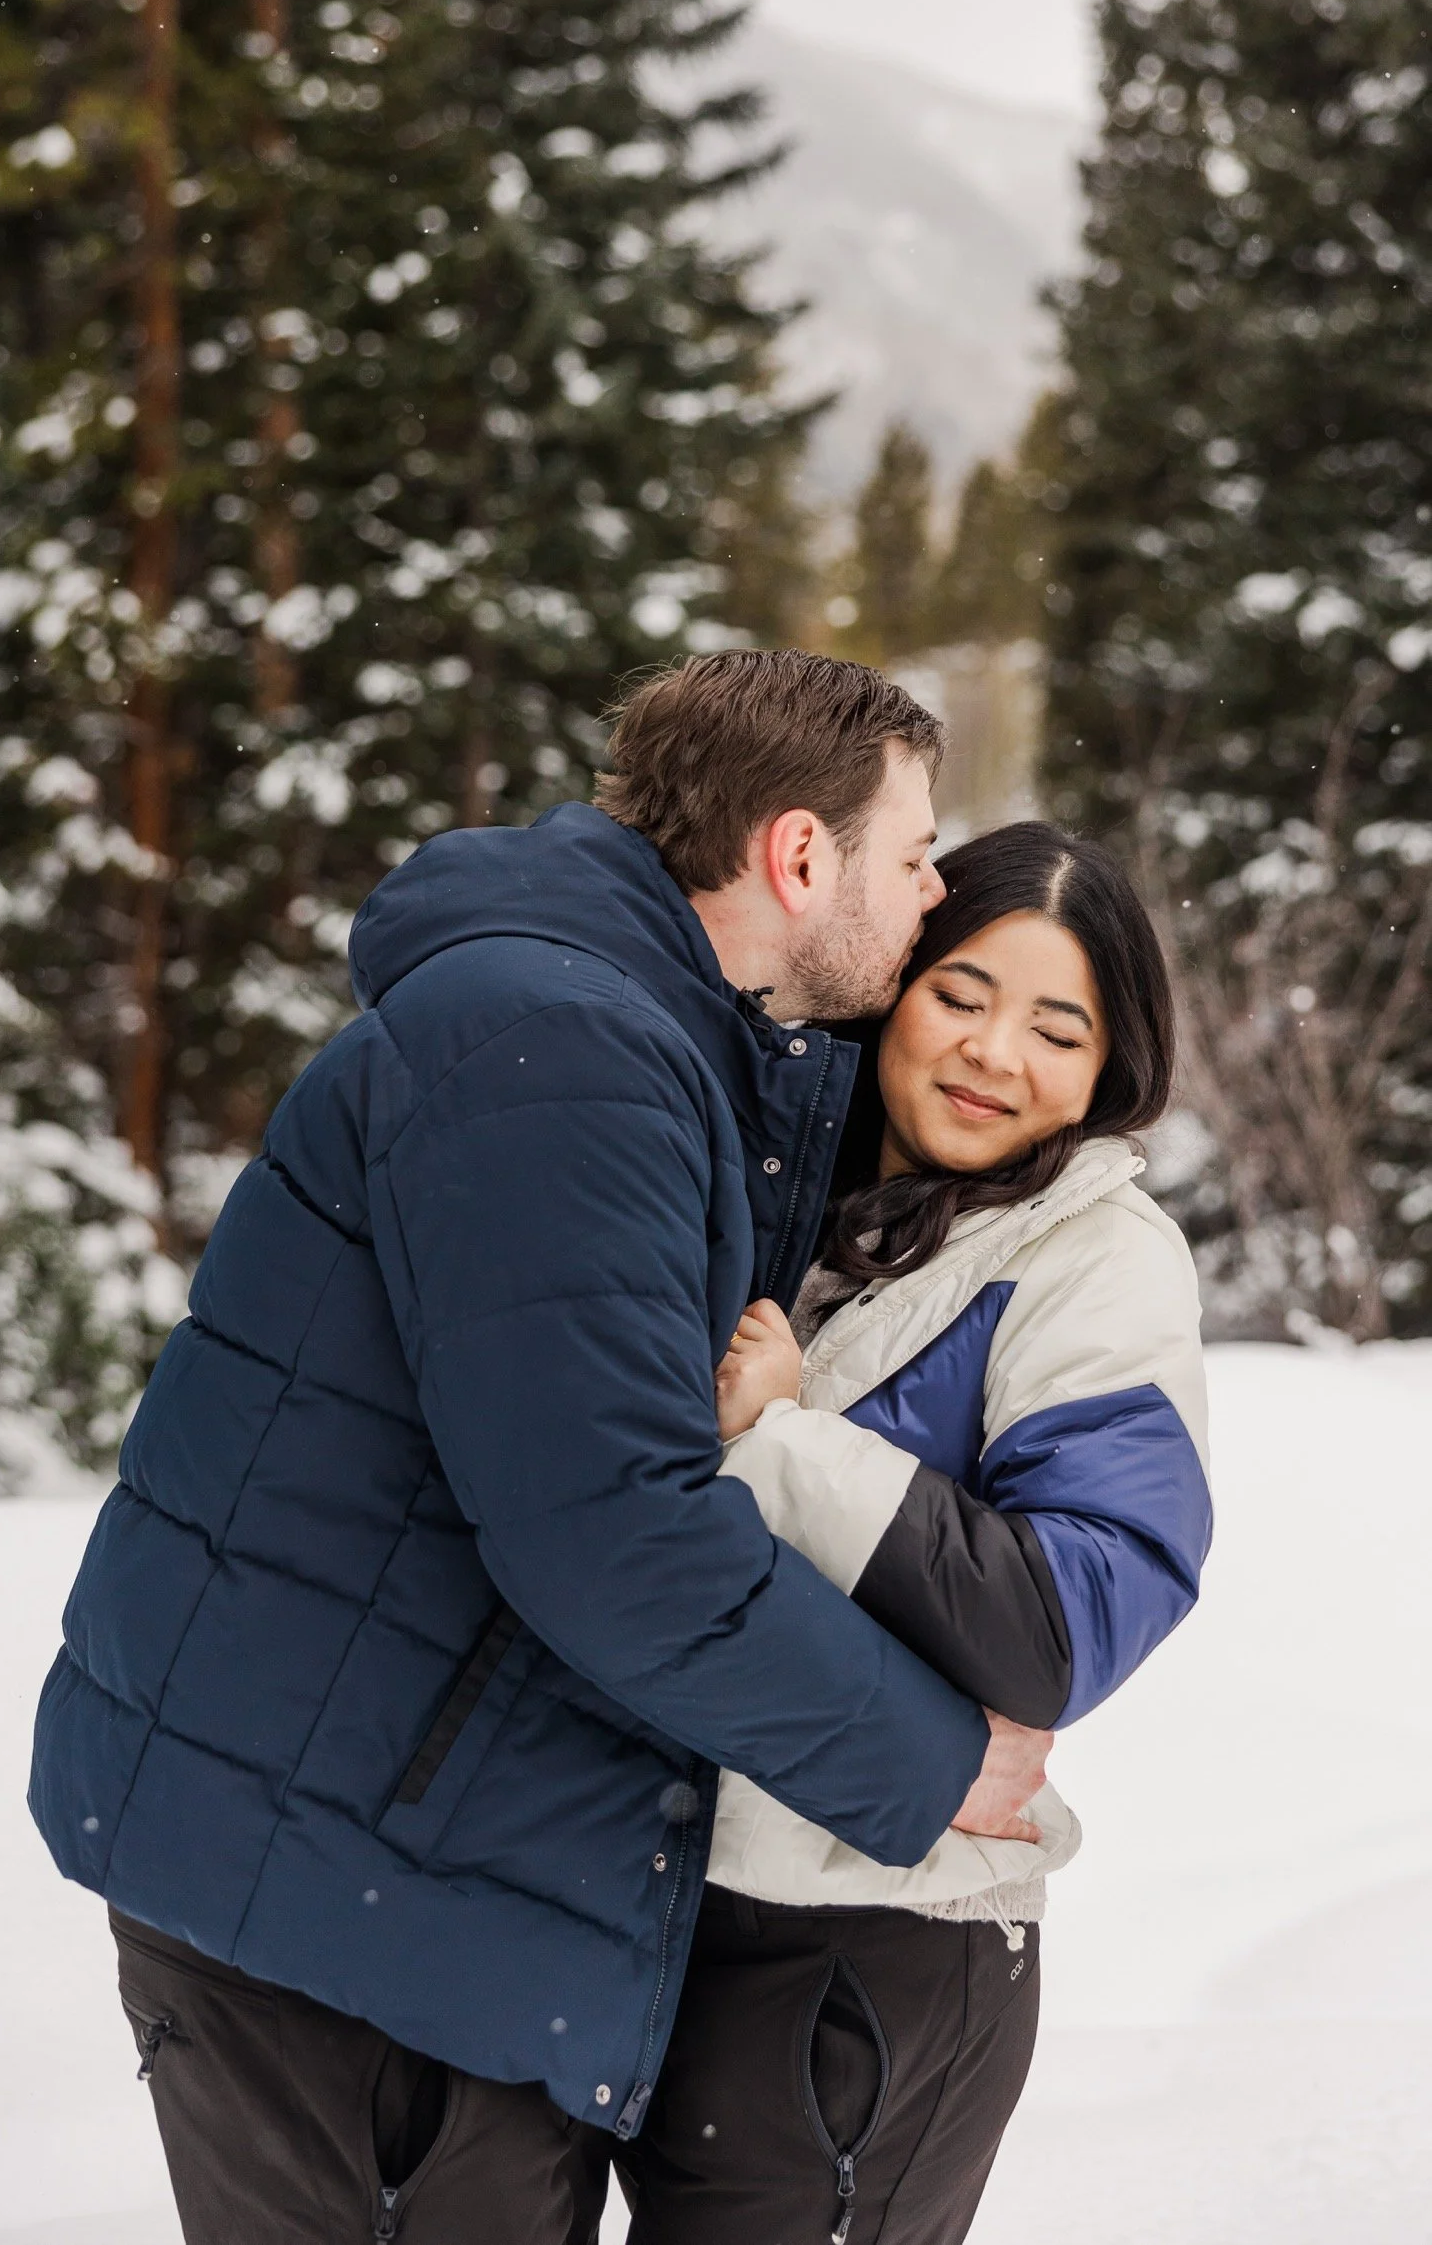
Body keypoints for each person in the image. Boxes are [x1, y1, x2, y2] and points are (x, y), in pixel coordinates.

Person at [27, 652, 1049, 2245]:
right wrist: (929, 1758)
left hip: (380, 1842)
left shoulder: (630, 1024)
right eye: (913, 854)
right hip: (344, 1890)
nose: (935, 895)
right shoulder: (565, 1053)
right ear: (798, 856)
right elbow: (611, 1530)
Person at [623, 821, 1213, 2245]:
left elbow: (1065, 1622)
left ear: (1108, 1066)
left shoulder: (1092, 1259)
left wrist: (789, 1439)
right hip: (665, 1906)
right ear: (894, 980)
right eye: (961, 995)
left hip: (876, 1951)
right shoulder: (782, 1196)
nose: (994, 1055)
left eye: (1057, 1028)